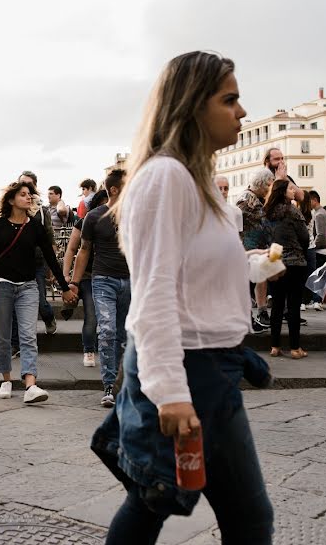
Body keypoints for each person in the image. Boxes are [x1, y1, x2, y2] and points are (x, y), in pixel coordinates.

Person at [92, 52, 273, 544]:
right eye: (229, 99)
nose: (241, 112)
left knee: (217, 512)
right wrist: (170, 390)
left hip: (214, 367)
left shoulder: (198, 184)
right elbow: (153, 292)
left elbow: (198, 272)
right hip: (190, 368)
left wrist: (258, 266)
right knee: (158, 500)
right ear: (193, 107)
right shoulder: (165, 177)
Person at [0, 181, 77, 404]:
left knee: (28, 336)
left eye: (30, 195)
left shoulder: (35, 227)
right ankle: (6, 379)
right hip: (0, 285)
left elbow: (50, 258)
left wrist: (63, 287)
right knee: (2, 337)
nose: (28, 198)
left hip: (28, 287)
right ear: (12, 200)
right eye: (23, 195)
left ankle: (30, 385)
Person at [70, 169, 131, 408]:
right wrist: (74, 283)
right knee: (106, 331)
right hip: (103, 279)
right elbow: (83, 250)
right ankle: (109, 384)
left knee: (124, 334)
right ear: (114, 189)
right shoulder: (94, 217)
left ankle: (121, 384)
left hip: (131, 280)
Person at [263, 179, 310, 359]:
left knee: (276, 304)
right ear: (283, 192)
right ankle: (295, 348)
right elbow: (304, 237)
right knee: (293, 306)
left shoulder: (267, 212)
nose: (293, 191)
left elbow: (266, 237)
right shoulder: (293, 211)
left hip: (275, 259)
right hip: (294, 262)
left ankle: (275, 346)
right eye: (290, 188)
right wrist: (298, 250)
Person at [62, 190, 109, 368]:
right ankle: (89, 350)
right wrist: (66, 276)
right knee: (91, 314)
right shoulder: (85, 221)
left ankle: (110, 351)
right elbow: (72, 249)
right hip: (88, 275)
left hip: (110, 274)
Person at [14, 171, 58, 339]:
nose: (25, 187)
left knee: (40, 301)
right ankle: (20, 338)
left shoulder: (42, 210)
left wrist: (52, 267)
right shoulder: (12, 207)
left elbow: (50, 238)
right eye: (21, 184)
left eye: (29, 185)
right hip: (17, 262)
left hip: (37, 262)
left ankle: (48, 316)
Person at [237, 168, 275, 332]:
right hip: (249, 248)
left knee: (260, 279)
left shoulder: (256, 197)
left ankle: (260, 313)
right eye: (269, 185)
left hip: (259, 247)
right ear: (262, 184)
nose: (270, 188)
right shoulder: (246, 199)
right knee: (248, 285)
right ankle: (247, 318)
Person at [307, 190, 326, 310]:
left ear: (314, 200)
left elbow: (321, 234)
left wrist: (313, 246)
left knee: (317, 275)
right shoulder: (321, 212)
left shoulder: (319, 214)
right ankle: (317, 300)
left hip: (321, 250)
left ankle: (316, 300)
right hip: (323, 249)